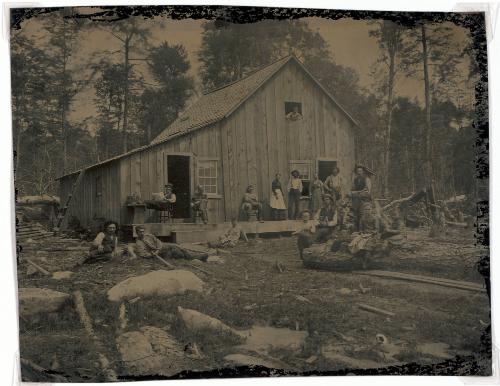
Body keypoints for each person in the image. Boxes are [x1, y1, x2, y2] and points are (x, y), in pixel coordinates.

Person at [130, 225, 208, 261]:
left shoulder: (149, 236)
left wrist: (159, 249)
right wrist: (152, 254)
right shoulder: (138, 243)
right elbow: (143, 254)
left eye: (143, 231)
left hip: (161, 248)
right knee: (176, 252)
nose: (142, 233)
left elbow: (158, 242)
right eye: (140, 232)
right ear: (137, 233)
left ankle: (196, 256)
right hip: (158, 254)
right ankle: (195, 258)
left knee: (178, 246)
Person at [350, 165, 374, 232]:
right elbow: (352, 189)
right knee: (356, 214)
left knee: (362, 214)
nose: (359, 172)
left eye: (360, 171)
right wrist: (354, 192)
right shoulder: (355, 179)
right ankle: (357, 229)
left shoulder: (366, 179)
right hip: (357, 199)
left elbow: (367, 190)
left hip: (365, 199)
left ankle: (364, 229)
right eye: (358, 171)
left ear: (363, 171)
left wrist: (358, 192)